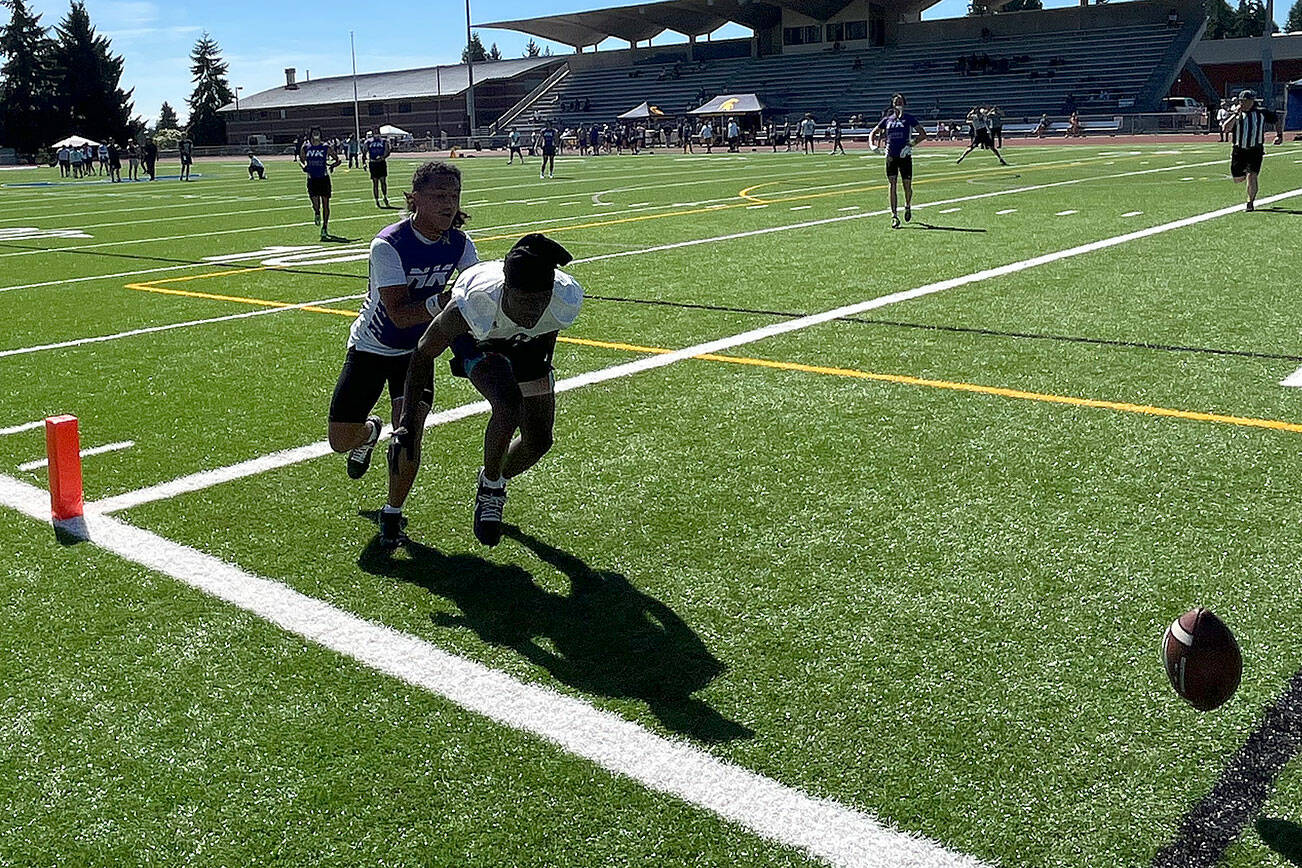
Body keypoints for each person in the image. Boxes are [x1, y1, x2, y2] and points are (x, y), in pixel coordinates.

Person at [391, 233, 581, 547]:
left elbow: (546, 330)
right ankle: (492, 488)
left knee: (539, 440)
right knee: (508, 405)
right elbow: (423, 352)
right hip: (479, 336)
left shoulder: (565, 297)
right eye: (524, 300)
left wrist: (537, 368)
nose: (532, 309)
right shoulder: (474, 303)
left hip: (525, 344)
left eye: (540, 300)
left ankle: (493, 474)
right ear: (507, 289)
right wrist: (408, 423)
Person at [327, 161, 478, 547]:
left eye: (454, 195)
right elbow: (397, 312)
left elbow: (474, 297)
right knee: (339, 440)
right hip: (373, 347)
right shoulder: (388, 244)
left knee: (409, 433)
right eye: (439, 196)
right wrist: (445, 302)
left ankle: (392, 512)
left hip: (418, 353)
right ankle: (367, 433)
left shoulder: (461, 244)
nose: (448, 204)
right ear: (415, 199)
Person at [870, 93, 927, 230]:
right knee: (892, 184)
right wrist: (872, 145)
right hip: (891, 155)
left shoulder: (909, 119)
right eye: (896, 101)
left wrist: (910, 145)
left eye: (901, 101)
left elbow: (923, 134)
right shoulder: (887, 120)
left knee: (907, 185)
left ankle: (907, 205)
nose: (899, 103)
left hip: (904, 156)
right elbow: (873, 132)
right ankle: (894, 215)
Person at [1222, 89, 1283, 211]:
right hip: (1239, 150)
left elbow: (1276, 120)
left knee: (1252, 175)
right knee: (1238, 178)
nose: (1244, 104)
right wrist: (1235, 114)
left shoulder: (1261, 112)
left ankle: (1250, 202)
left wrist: (1279, 135)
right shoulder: (1236, 113)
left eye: (1247, 101)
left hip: (1255, 149)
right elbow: (1225, 128)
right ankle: (1245, 177)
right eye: (1242, 101)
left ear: (1252, 101)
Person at [300, 126, 342, 239]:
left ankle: (325, 227)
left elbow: (338, 160)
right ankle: (317, 212)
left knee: (326, 204)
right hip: (311, 179)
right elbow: (302, 160)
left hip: (323, 178)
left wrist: (332, 165)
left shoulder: (325, 147)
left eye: (318, 132)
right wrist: (304, 167)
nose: (316, 135)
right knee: (315, 204)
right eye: (314, 133)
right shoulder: (305, 147)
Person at [366, 130, 391, 208]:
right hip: (373, 163)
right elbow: (364, 151)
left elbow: (388, 151)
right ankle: (376, 200)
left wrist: (383, 157)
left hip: (381, 163)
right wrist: (364, 161)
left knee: (383, 181)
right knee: (375, 183)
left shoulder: (384, 141)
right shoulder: (368, 142)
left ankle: (385, 196)